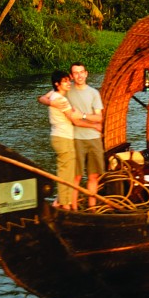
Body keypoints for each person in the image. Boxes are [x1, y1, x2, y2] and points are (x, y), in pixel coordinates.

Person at [37, 71, 98, 209]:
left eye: (68, 81)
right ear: (57, 84)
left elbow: (43, 97)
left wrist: (47, 100)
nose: (68, 83)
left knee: (66, 171)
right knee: (67, 173)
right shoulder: (61, 100)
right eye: (65, 81)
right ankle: (65, 204)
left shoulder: (54, 95)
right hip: (63, 138)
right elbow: (75, 120)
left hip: (59, 137)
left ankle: (59, 202)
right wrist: (94, 125)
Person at [66, 62, 105, 207]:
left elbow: (99, 117)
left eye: (81, 72)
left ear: (86, 73)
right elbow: (72, 118)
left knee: (93, 176)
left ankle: (92, 208)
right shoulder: (68, 92)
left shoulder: (94, 93)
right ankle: (74, 208)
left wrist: (82, 115)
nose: (79, 75)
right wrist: (91, 120)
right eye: (76, 73)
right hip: (76, 139)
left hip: (94, 139)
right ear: (71, 76)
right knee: (76, 176)